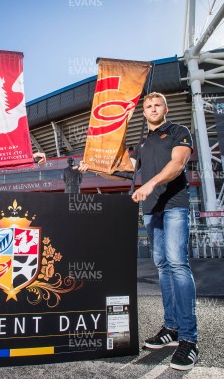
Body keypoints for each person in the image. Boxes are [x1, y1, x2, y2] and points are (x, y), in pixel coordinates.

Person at [79, 91, 199, 371]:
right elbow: (124, 171)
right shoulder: (143, 143)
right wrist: (94, 167)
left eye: (158, 105)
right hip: (152, 211)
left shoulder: (178, 131)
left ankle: (189, 340)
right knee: (163, 266)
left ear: (165, 109)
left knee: (178, 264)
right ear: (143, 113)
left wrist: (149, 185)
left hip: (174, 207)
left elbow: (178, 164)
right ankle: (171, 328)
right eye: (149, 106)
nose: (153, 108)